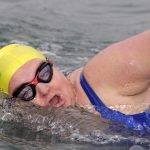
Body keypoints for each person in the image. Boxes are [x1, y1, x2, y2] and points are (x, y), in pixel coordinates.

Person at [1, 30, 150, 132]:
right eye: (26, 91)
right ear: (17, 105)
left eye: (44, 73)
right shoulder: (38, 129)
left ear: (52, 64)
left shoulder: (103, 75)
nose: (44, 89)